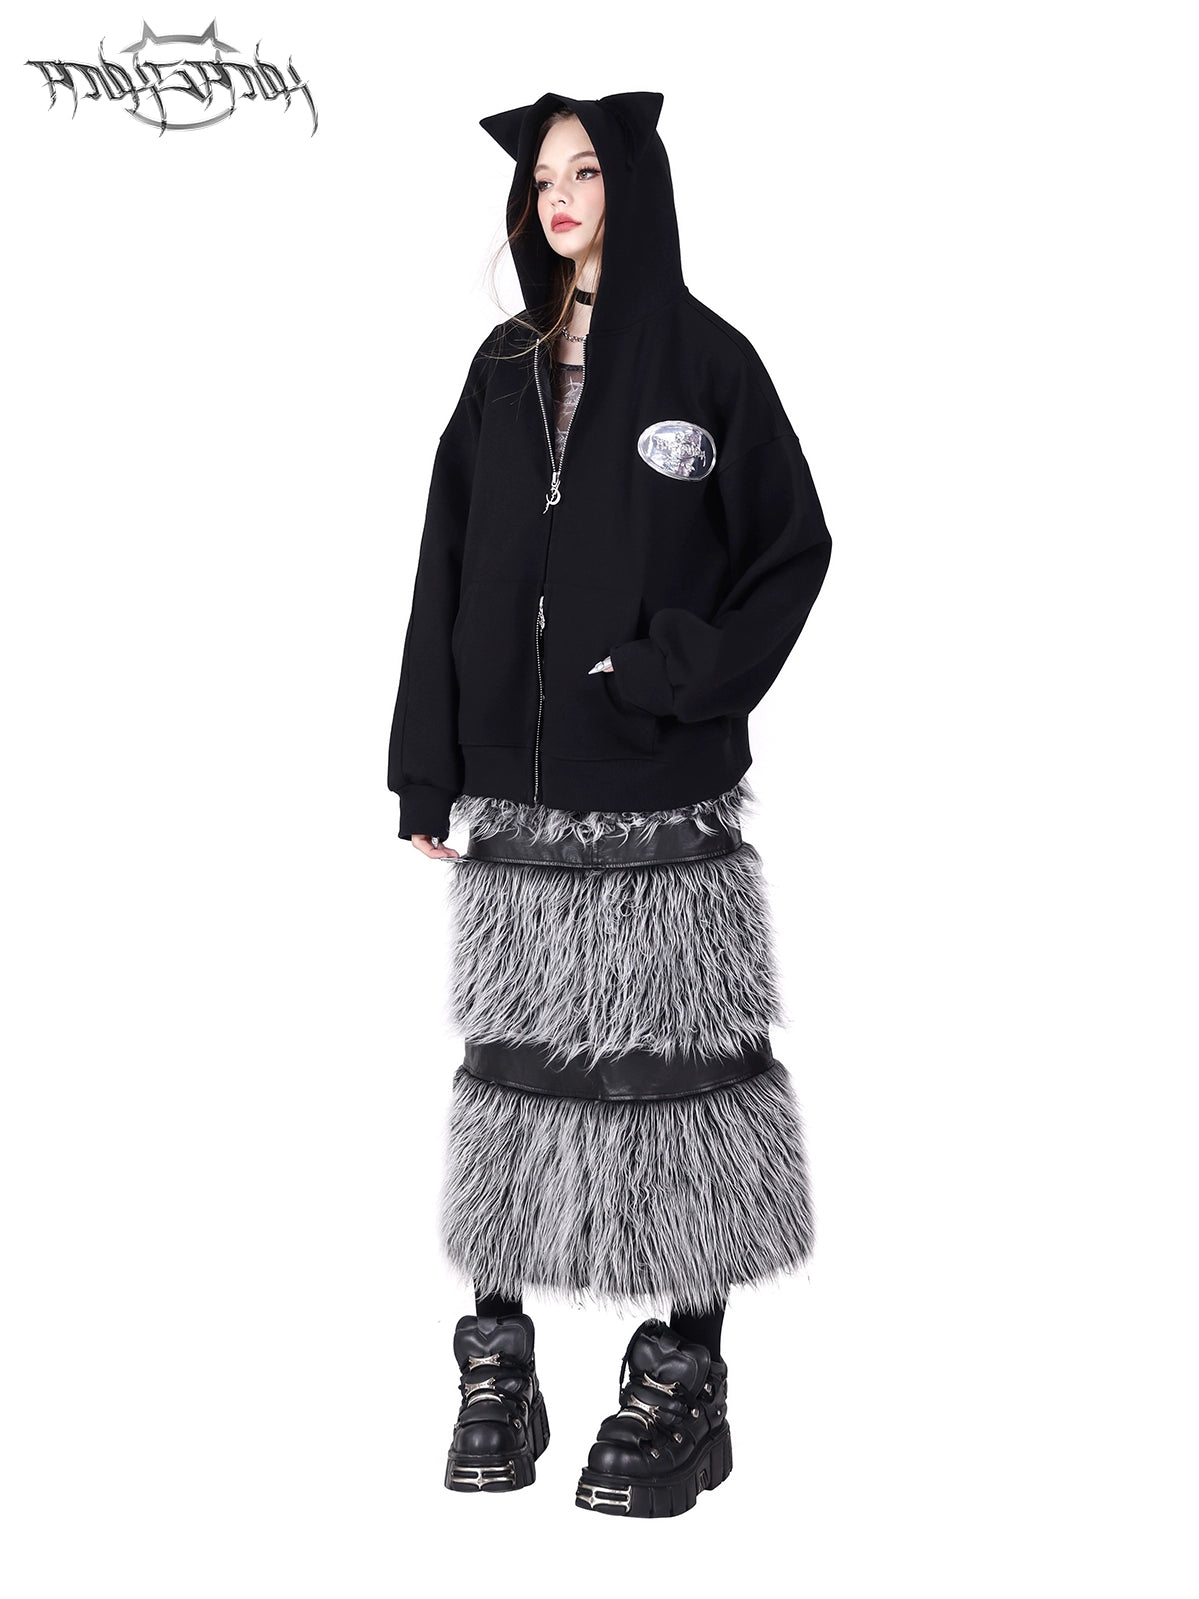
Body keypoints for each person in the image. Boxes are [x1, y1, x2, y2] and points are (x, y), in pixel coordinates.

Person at [387, 90, 832, 1518]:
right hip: (517, 805)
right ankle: (499, 1373)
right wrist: (426, 759)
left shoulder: (708, 364)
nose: (560, 194)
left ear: (634, 182)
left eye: (585, 169)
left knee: (680, 1083)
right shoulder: (500, 370)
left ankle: (680, 1385)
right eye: (542, 177)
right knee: (514, 1082)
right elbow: (445, 563)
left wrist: (667, 672)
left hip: (657, 797)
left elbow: (792, 551)